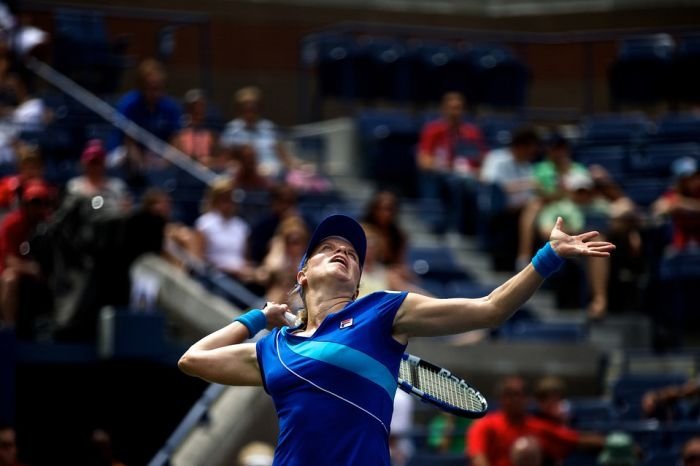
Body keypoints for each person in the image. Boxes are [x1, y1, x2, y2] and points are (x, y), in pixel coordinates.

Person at [178, 210, 614, 466]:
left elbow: (491, 308)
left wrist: (549, 256)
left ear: (358, 281)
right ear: (303, 273)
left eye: (352, 253)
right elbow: (193, 359)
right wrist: (259, 316)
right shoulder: (272, 349)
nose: (344, 251)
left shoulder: (384, 310)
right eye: (329, 247)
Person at [467, 375, 605, 466]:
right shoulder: (485, 425)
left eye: (519, 395)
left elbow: (575, 439)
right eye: (509, 395)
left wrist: (613, 442)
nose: (515, 400)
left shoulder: (537, 426)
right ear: (501, 398)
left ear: (527, 399)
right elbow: (478, 459)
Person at [417, 91, 487, 234]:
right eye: (451, 107)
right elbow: (423, 161)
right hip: (442, 174)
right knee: (456, 183)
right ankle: (454, 229)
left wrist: (479, 171)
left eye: (459, 108)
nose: (455, 112)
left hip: (469, 175)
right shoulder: (433, 130)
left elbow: (482, 159)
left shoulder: (471, 132)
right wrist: (444, 166)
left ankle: (477, 231)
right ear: (443, 109)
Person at [107, 58, 182, 183]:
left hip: (155, 154)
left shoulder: (170, 107)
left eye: (158, 87)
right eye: (150, 87)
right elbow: (128, 141)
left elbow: (175, 140)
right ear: (141, 86)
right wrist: (144, 166)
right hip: (123, 152)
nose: (155, 92)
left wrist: (164, 163)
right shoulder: (129, 104)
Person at [480, 126, 541, 271]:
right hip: (498, 208)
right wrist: (526, 184)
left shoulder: (527, 166)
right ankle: (522, 257)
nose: (531, 153)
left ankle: (525, 258)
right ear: (520, 146)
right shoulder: (497, 158)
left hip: (521, 209)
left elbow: (532, 193)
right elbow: (489, 181)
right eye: (529, 148)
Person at [0, 181, 52, 335]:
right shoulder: (12, 223)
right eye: (33, 203)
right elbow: (8, 260)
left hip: (42, 273)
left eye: (41, 202)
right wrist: (31, 268)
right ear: (25, 204)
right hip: (17, 272)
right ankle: (9, 329)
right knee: (10, 279)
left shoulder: (51, 224)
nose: (37, 208)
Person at [219, 86, 295, 179]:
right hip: (243, 174)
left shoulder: (269, 127)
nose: (250, 112)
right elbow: (226, 158)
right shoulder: (232, 129)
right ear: (239, 110)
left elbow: (283, 156)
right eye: (246, 109)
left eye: (253, 109)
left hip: (271, 172)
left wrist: (297, 166)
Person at [194, 177, 254, 282]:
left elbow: (245, 258)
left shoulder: (241, 226)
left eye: (231, 199)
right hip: (215, 278)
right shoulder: (204, 224)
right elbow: (198, 260)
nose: (229, 203)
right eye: (224, 199)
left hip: (240, 277)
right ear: (214, 200)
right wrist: (229, 269)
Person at [173, 88, 222, 170]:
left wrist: (211, 161)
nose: (198, 109)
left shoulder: (212, 135)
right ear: (187, 110)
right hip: (186, 174)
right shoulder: (179, 135)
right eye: (193, 107)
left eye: (201, 106)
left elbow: (222, 160)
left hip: (207, 174)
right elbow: (173, 159)